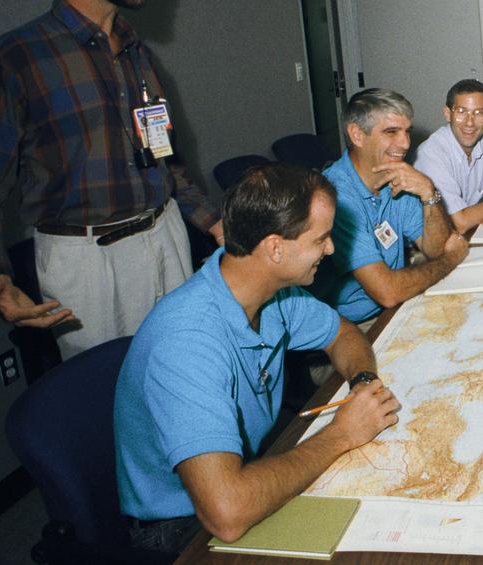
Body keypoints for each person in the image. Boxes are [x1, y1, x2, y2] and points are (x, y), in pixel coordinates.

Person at [0, 0, 222, 358]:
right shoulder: (18, 56)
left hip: (165, 237)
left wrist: (214, 222)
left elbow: (164, 155)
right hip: (87, 261)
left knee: (188, 366)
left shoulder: (136, 51)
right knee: (107, 398)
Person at [114, 163, 399, 552]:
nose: (331, 249)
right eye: (321, 239)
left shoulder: (271, 292)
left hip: (245, 472)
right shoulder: (187, 342)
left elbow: (342, 333)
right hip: (183, 524)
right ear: (275, 248)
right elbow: (226, 513)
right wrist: (342, 434)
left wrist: (363, 382)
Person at [311, 88, 468, 321]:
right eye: (391, 132)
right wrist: (452, 258)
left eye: (407, 132)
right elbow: (388, 292)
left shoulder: (396, 177)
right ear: (356, 134)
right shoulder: (337, 197)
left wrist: (428, 192)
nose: (405, 144)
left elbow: (434, 249)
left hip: (394, 306)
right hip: (353, 325)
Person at [414, 80, 483, 233]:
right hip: (427, 242)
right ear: (448, 114)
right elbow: (458, 222)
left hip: (469, 232)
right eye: (461, 111)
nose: (469, 123)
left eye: (478, 113)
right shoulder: (431, 154)